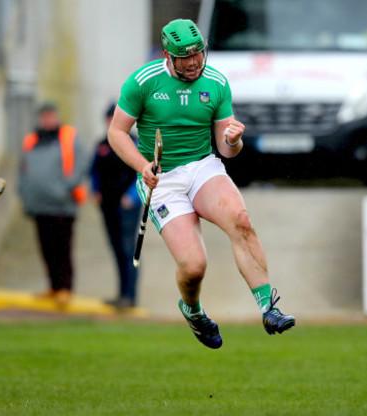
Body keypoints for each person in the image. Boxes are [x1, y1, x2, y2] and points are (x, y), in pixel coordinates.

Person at [107, 19, 295, 349]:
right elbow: (116, 133)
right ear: (168, 55)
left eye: (198, 54)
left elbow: (227, 150)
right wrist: (142, 165)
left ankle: (269, 307)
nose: (194, 62)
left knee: (241, 221)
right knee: (194, 267)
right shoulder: (143, 82)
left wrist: (233, 140)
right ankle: (192, 310)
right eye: (185, 56)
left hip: (202, 166)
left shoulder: (217, 82)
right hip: (162, 180)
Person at [18, 102, 88, 305]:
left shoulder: (68, 136)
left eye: (50, 115)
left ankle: (65, 288)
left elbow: (81, 162)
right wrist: (23, 192)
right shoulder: (31, 140)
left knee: (62, 248)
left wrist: (66, 186)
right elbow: (23, 168)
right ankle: (53, 285)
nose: (47, 120)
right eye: (44, 116)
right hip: (38, 205)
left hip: (62, 205)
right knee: (46, 248)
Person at [90, 103, 142, 310]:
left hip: (128, 206)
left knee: (129, 249)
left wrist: (131, 197)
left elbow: (145, 174)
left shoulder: (136, 143)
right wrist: (96, 190)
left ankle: (130, 295)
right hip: (107, 205)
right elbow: (94, 170)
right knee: (116, 249)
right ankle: (121, 294)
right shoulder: (102, 144)